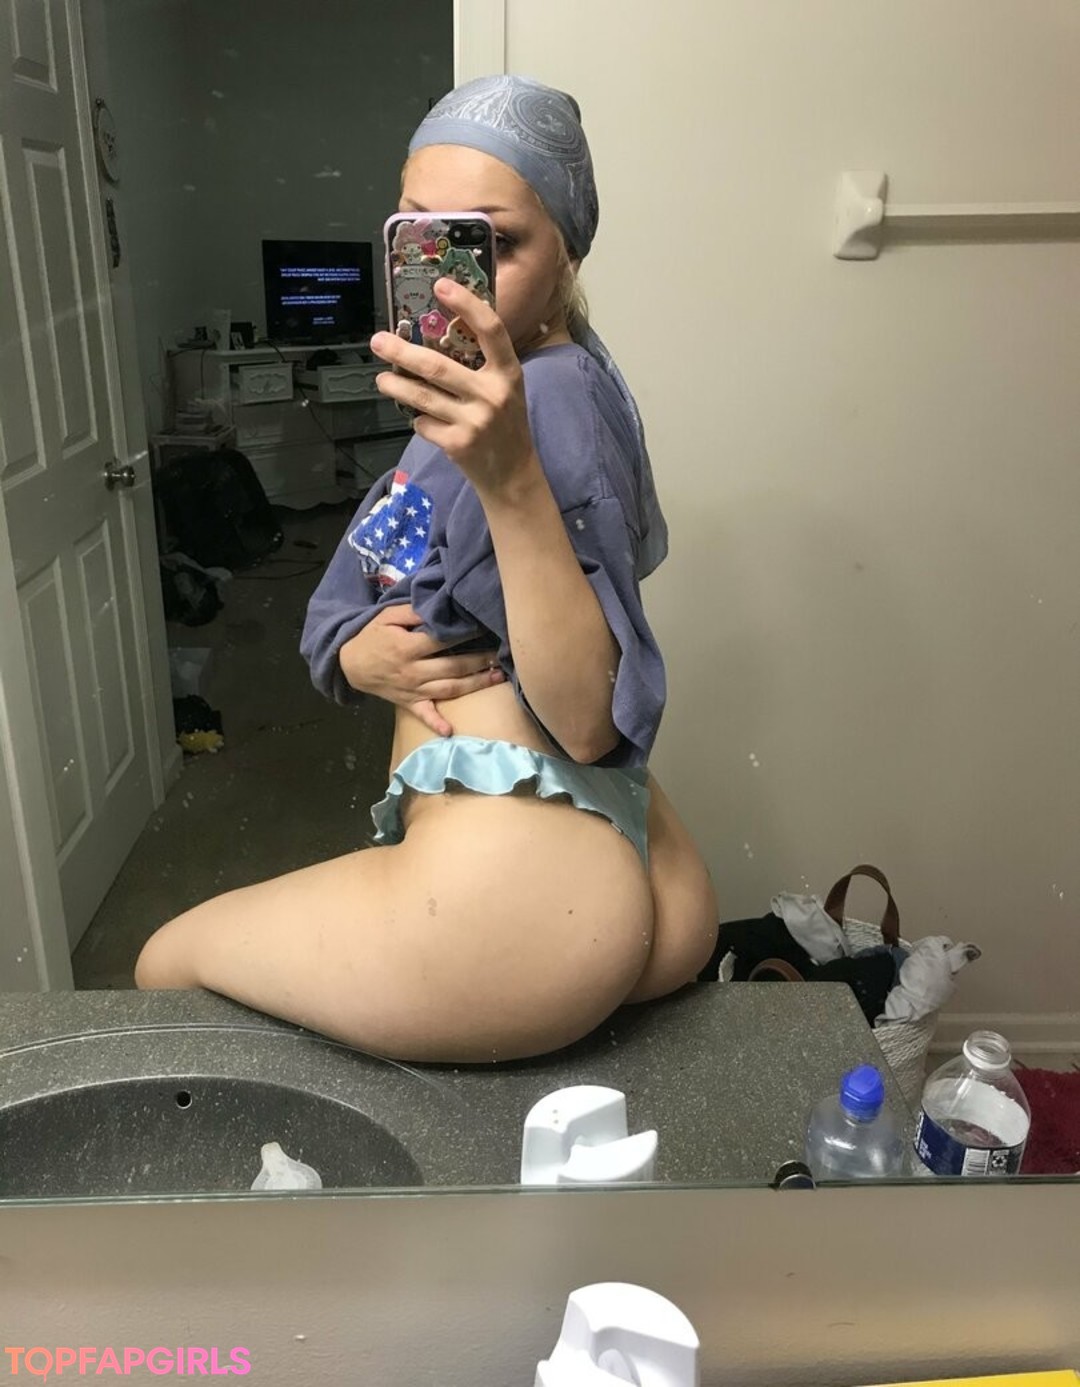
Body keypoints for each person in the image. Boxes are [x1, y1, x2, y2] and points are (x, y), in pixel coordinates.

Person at [135, 75, 718, 1062]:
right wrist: (352, 652)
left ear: (568, 250)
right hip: (606, 853)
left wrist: (510, 476)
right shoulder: (475, 407)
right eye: (418, 233)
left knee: (164, 963)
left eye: (493, 243)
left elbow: (587, 719)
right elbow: (376, 559)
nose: (450, 283)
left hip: (515, 884)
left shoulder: (552, 404)